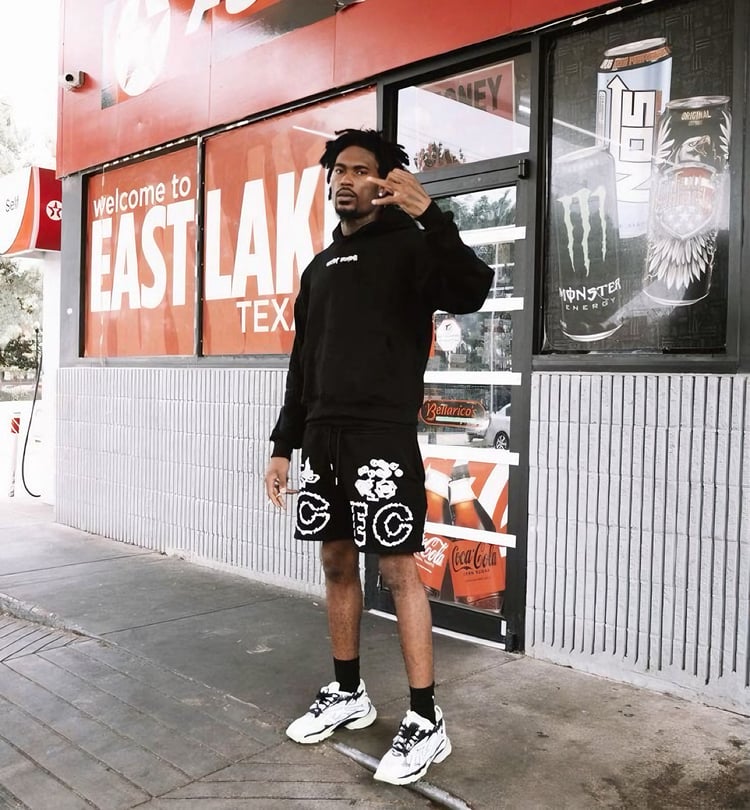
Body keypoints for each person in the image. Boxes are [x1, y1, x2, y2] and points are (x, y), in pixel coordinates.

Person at [264, 128, 493, 786]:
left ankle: (425, 716)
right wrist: (283, 447)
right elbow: (302, 366)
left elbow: (473, 288)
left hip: (381, 436)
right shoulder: (318, 269)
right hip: (323, 438)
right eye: (338, 169)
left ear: (386, 185)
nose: (345, 179)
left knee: (397, 569)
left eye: (361, 170)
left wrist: (433, 216)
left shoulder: (412, 248)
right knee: (336, 562)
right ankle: (348, 693)